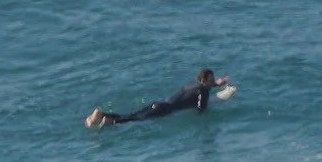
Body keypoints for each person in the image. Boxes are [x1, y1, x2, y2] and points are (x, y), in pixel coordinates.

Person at [87, 69, 225, 129]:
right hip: (164, 110)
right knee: (136, 120)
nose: (212, 82)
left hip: (158, 104)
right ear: (203, 80)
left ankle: (100, 114)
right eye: (211, 79)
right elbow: (201, 109)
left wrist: (216, 84)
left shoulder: (192, 85)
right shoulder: (203, 91)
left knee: (133, 116)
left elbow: (202, 88)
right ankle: (109, 122)